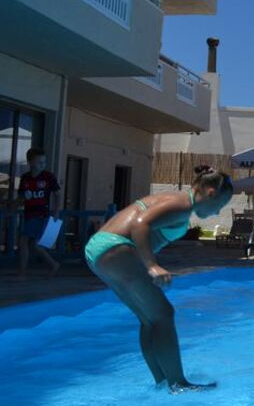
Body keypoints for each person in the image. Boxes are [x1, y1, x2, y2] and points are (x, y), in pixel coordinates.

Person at [83, 165, 234, 393]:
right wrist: (151, 265)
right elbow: (140, 224)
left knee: (150, 319)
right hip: (116, 248)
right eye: (219, 206)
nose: (216, 213)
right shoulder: (182, 204)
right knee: (164, 314)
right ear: (210, 193)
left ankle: (163, 381)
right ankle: (178, 383)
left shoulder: (175, 200)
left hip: (99, 250)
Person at [17, 147, 61, 280]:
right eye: (39, 162)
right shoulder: (25, 178)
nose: (43, 165)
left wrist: (56, 211)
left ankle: (22, 273)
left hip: (41, 214)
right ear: (30, 162)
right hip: (29, 214)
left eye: (44, 162)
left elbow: (57, 194)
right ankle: (53, 264)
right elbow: (20, 196)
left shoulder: (48, 177)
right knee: (34, 245)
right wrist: (21, 199)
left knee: (24, 241)